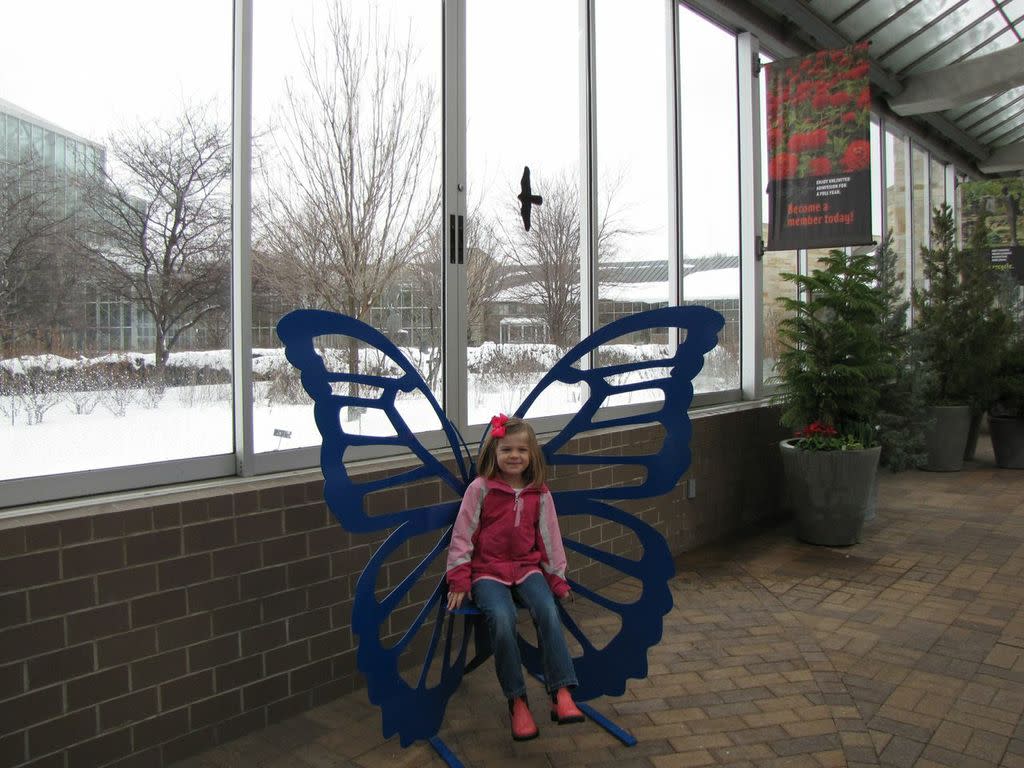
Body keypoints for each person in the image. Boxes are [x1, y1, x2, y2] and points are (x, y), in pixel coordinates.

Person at [446, 414, 585, 741]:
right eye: (506, 449)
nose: (514, 456)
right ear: (494, 452)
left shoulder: (539, 493)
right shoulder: (479, 490)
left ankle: (561, 691)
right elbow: (462, 536)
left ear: (531, 455)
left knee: (548, 611)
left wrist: (557, 579)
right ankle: (517, 699)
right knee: (503, 618)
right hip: (487, 573)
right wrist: (458, 580)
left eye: (521, 450)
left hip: (527, 569)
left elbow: (550, 540)